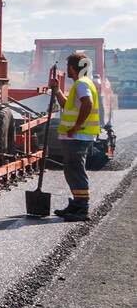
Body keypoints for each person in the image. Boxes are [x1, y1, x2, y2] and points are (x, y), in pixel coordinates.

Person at [50, 52, 100, 221]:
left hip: (79, 136)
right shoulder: (81, 84)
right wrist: (56, 91)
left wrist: (76, 127)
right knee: (72, 171)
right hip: (75, 136)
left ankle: (82, 209)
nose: (67, 70)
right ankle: (76, 204)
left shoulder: (81, 84)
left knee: (77, 171)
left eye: (68, 67)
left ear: (72, 68)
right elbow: (67, 105)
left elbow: (88, 103)